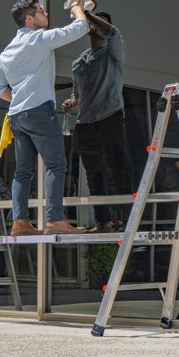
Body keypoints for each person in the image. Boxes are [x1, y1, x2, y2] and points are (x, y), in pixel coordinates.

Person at [0, 0, 89, 236]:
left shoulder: (8, 51)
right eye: (41, 11)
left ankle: (20, 223)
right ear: (29, 18)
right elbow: (81, 27)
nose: (46, 15)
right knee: (56, 165)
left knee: (23, 171)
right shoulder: (40, 39)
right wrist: (78, 8)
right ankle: (54, 219)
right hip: (39, 112)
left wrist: (19, 99)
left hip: (17, 116)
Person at [62, 12, 133, 233]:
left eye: (97, 23)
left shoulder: (113, 51)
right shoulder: (78, 62)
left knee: (117, 169)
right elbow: (77, 95)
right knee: (93, 174)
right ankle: (103, 222)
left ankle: (127, 219)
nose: (93, 26)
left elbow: (113, 33)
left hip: (109, 117)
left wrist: (87, 12)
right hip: (85, 122)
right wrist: (70, 103)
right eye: (90, 23)